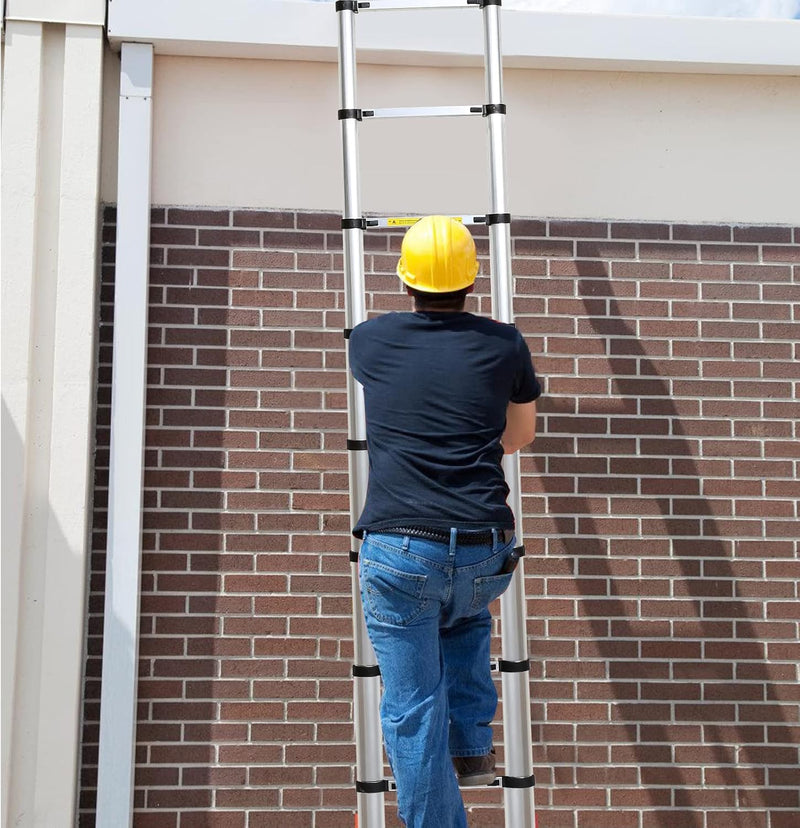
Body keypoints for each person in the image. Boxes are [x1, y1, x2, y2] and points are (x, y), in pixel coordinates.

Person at [347, 215, 541, 828]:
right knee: (462, 612)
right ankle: (472, 747)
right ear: (472, 279)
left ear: (406, 279)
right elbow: (520, 435)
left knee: (411, 707)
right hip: (485, 546)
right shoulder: (505, 342)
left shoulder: (369, 341)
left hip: (401, 550)